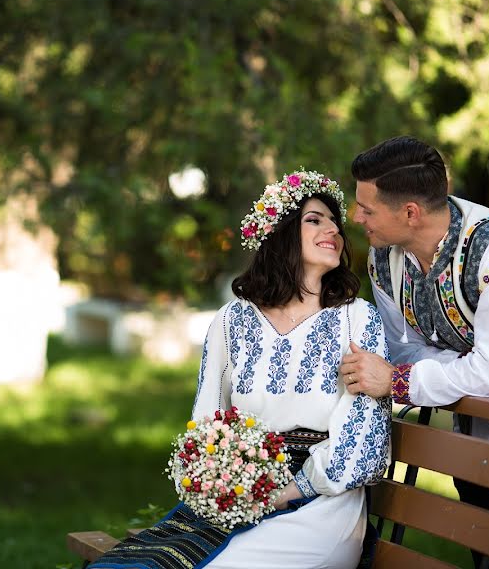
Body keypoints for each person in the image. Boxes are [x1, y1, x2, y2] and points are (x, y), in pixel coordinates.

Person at [89, 170, 392, 569]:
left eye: (335, 221)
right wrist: (216, 486)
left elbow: (364, 439)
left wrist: (285, 490)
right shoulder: (233, 321)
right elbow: (205, 422)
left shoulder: (357, 319)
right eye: (314, 219)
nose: (333, 229)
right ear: (280, 234)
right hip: (238, 499)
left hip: (321, 508)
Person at [340, 135, 489, 568]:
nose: (355, 217)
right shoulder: (385, 259)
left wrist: (399, 381)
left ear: (410, 213)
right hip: (475, 445)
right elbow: (404, 349)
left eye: (367, 208)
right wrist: (473, 369)